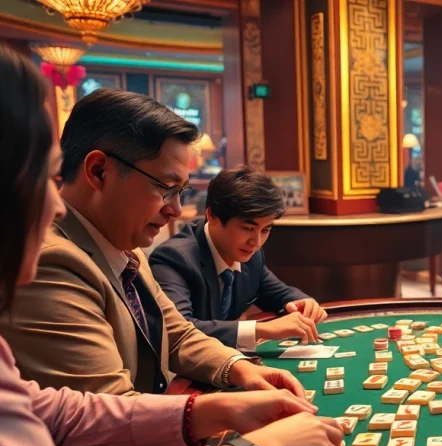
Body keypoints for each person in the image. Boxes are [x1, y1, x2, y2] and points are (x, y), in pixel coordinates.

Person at [0, 44, 344, 446]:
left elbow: (63, 409)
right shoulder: (55, 260)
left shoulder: (127, 244)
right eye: (45, 179)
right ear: (96, 170)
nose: (55, 206)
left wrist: (229, 391)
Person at [0, 88, 304, 403]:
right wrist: (224, 413)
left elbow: (176, 334)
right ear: (98, 171)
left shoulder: (126, 248)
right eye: (166, 188)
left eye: (181, 191)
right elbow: (105, 414)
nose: (174, 210)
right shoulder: (47, 263)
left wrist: (239, 367)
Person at [150, 166, 327, 351]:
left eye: (265, 230)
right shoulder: (174, 258)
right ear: (212, 216)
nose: (256, 242)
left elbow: (278, 293)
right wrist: (261, 329)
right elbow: (179, 331)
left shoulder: (250, 254)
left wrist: (302, 302)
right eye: (248, 228)